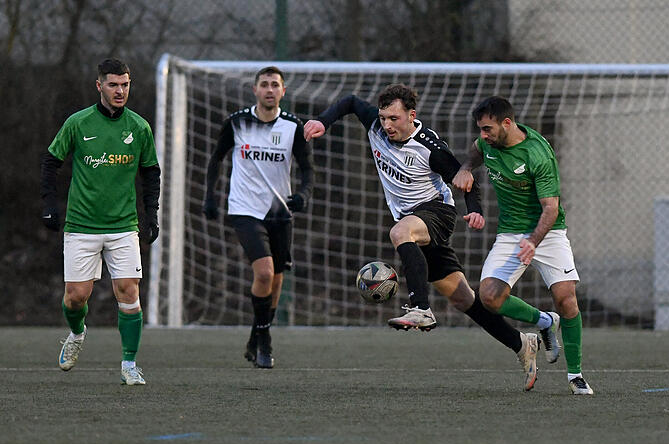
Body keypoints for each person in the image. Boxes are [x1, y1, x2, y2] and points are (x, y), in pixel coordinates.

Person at [304, 84, 544, 391]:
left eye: (394, 118)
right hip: (416, 221)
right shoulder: (377, 127)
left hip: (436, 213)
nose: (387, 125)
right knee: (463, 299)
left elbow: (464, 177)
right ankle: (523, 344)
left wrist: (474, 210)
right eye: (383, 118)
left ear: (411, 115)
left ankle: (420, 308)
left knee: (399, 232)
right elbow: (350, 101)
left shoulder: (429, 147)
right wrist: (324, 121)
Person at [452, 95, 593, 395]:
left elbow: (551, 209)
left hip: (548, 231)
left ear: (507, 123)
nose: (483, 135)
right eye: (480, 129)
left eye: (487, 129)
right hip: (511, 234)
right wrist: (466, 167)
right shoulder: (488, 143)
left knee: (566, 298)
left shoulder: (537, 154)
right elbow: (476, 152)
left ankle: (576, 375)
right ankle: (544, 322)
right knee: (488, 296)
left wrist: (533, 241)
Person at [40, 58, 161, 386]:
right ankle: (77, 333)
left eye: (125, 84)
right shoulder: (78, 123)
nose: (120, 90)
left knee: (128, 291)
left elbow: (151, 172)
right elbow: (51, 162)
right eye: (113, 84)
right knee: (76, 297)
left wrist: (152, 215)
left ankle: (129, 363)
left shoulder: (139, 127)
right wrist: (50, 205)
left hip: (124, 226)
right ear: (99, 86)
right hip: (81, 225)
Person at [204, 66, 313, 369]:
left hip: (279, 212)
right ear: (254, 89)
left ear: (283, 91)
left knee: (276, 278)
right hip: (244, 209)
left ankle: (257, 334)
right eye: (264, 84)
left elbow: (307, 168)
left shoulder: (293, 126)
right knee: (264, 272)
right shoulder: (237, 122)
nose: (269, 89)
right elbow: (216, 159)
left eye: (274, 85)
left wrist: (304, 194)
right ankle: (265, 340)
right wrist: (209, 197)